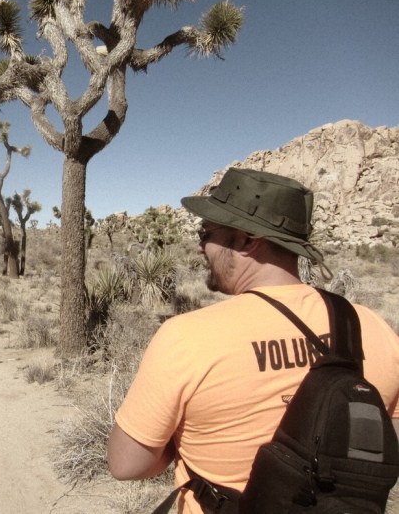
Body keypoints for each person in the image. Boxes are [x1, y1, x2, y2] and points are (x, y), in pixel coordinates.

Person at [106, 168, 399, 513]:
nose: (201, 247)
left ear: (246, 240)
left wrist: (181, 443)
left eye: (207, 233)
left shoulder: (188, 337)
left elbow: (126, 464)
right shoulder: (370, 325)